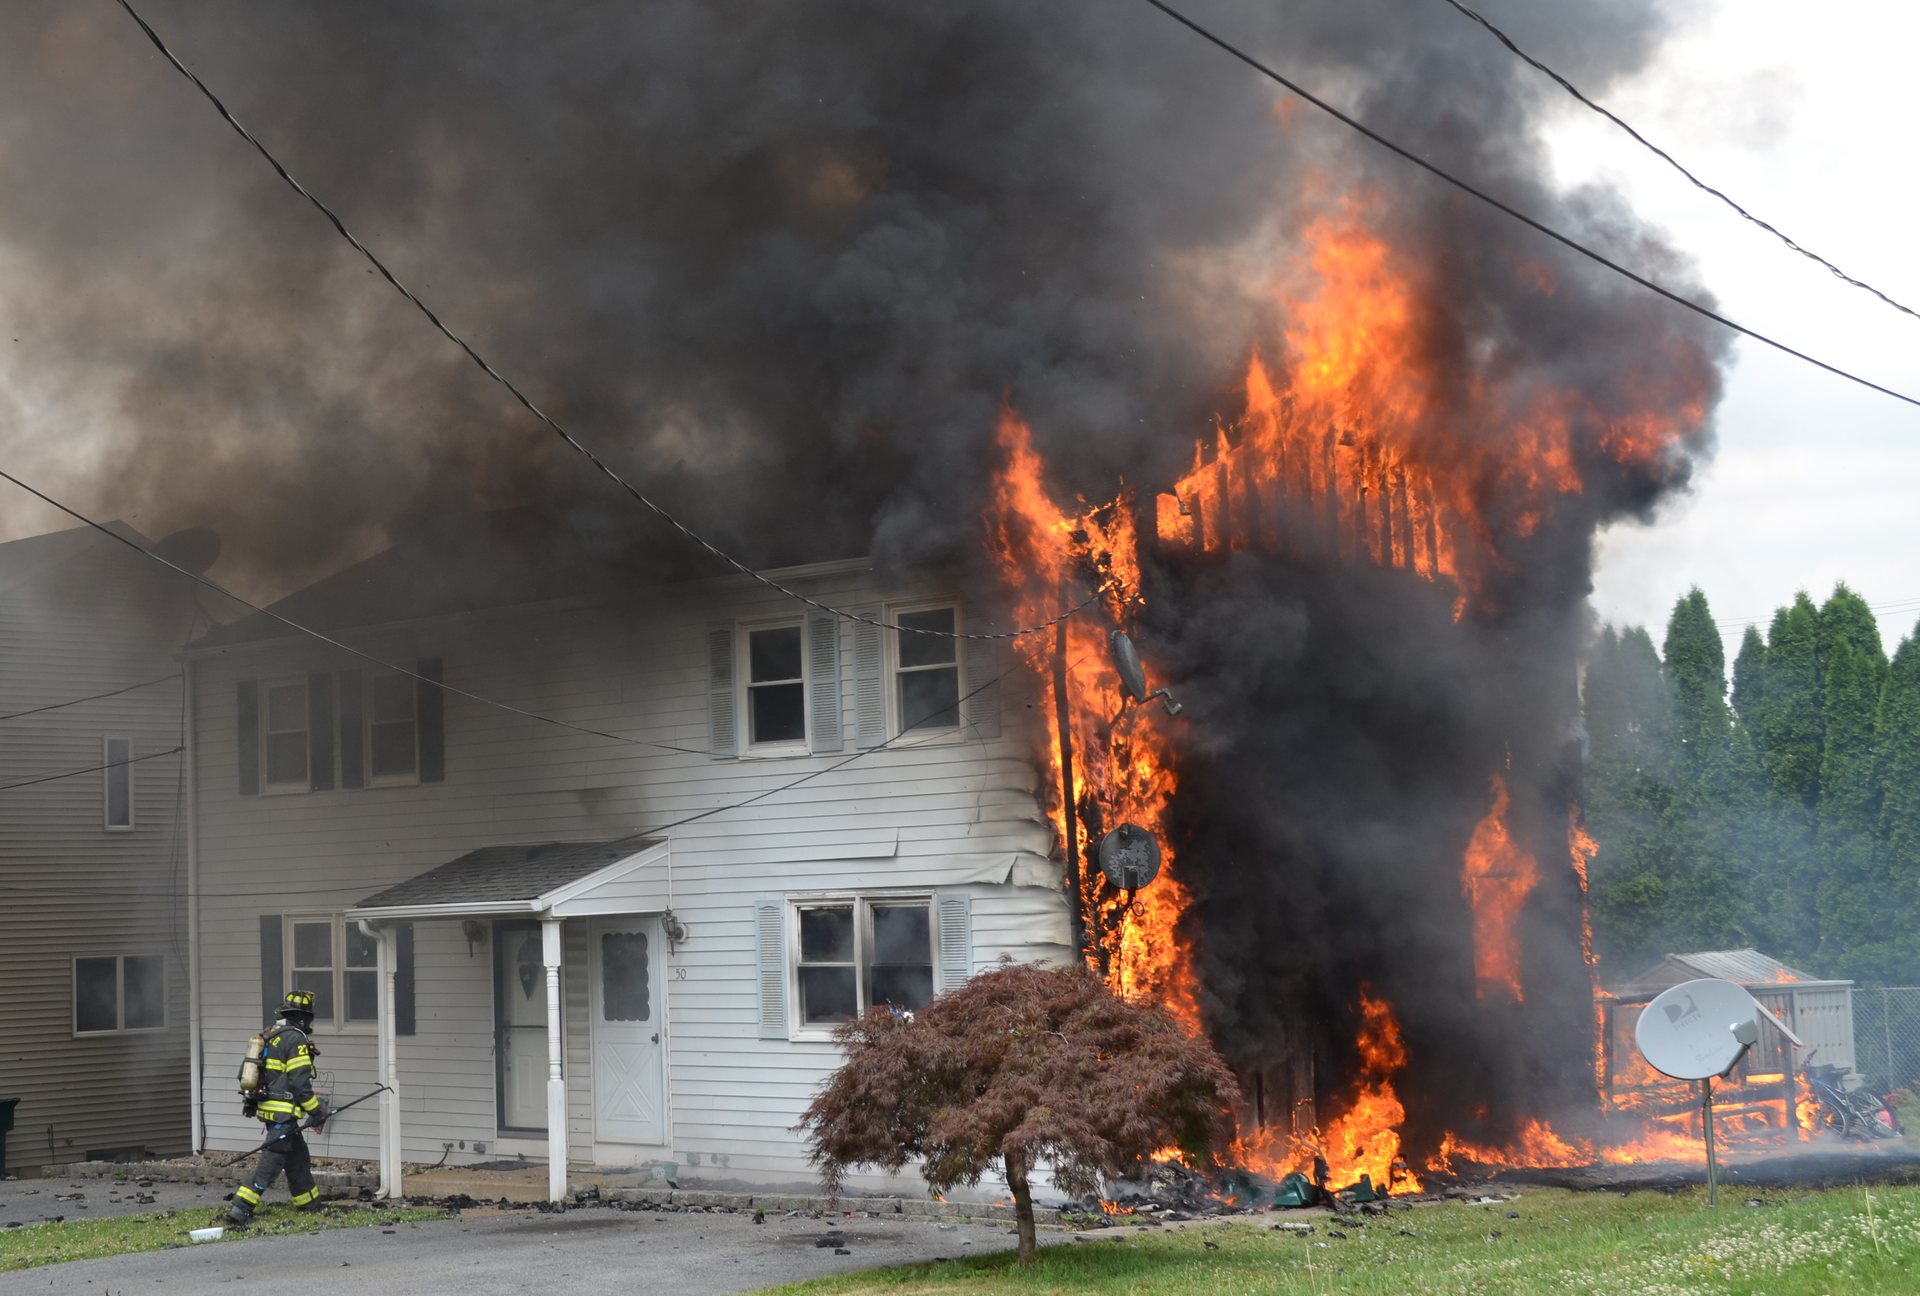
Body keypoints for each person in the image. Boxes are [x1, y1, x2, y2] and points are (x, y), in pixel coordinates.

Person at [228, 990, 332, 1223]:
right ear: (304, 1017)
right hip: (283, 1112)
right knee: (271, 1163)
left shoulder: (270, 1034)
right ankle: (241, 1208)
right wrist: (316, 1111)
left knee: (298, 1158)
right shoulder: (295, 1039)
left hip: (270, 1109)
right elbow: (299, 1083)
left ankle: (309, 1204)